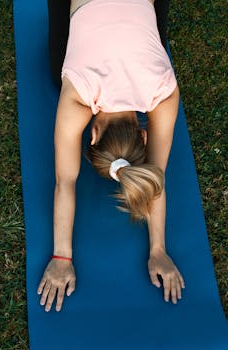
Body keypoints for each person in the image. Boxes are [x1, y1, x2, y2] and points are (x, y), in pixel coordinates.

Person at [38, 0, 185, 312]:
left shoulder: (164, 90)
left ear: (143, 135)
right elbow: (64, 181)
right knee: (56, 71)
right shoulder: (78, 92)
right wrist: (60, 257)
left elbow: (155, 177)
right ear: (91, 135)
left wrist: (159, 250)